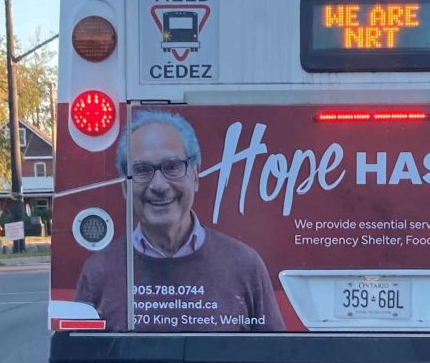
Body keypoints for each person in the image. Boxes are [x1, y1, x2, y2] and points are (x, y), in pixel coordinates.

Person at [75, 110, 285, 332]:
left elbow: (275, 360)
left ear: (194, 176)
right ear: (125, 187)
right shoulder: (98, 272)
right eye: (142, 170)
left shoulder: (245, 265)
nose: (159, 185)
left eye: (172, 167)